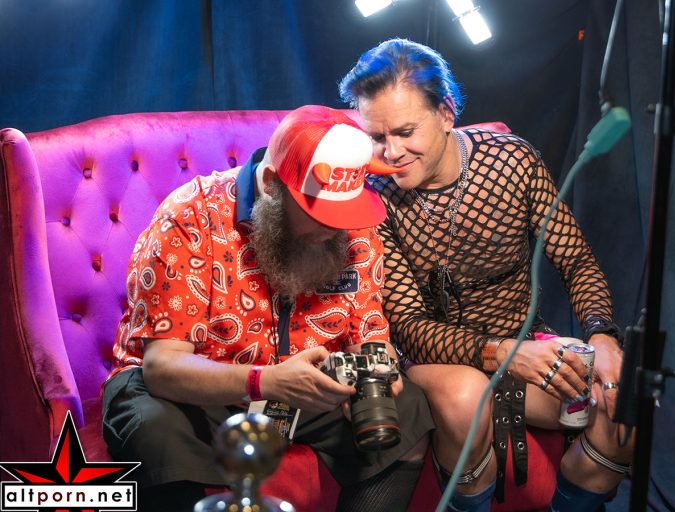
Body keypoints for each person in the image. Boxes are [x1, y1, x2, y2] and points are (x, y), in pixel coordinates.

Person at [339, 39, 633, 511]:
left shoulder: (512, 161)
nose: (390, 152)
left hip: (526, 344)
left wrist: (601, 335)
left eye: (406, 131)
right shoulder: (373, 196)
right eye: (376, 136)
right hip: (437, 360)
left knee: (624, 411)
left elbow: (577, 262)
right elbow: (409, 328)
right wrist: (508, 355)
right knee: (465, 397)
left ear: (446, 113)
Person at [101, 105, 434, 512]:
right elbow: (163, 368)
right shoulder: (191, 217)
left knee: (408, 408)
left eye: (345, 212)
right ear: (273, 184)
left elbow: (368, 334)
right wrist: (264, 381)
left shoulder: (351, 226)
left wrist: (374, 373)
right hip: (198, 392)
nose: (336, 227)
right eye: (320, 212)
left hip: (306, 392)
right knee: (154, 429)